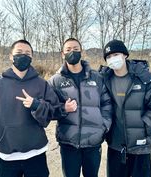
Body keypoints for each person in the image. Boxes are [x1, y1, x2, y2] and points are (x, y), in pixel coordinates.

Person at [0, 39, 63, 177]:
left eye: (27, 53)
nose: (23, 55)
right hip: (6, 156)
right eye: (19, 52)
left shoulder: (41, 84)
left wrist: (37, 105)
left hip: (36, 153)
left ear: (31, 57)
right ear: (11, 56)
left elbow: (55, 111)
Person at [99, 39, 151, 177]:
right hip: (115, 146)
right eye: (109, 57)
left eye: (116, 54)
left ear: (125, 55)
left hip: (140, 147)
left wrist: (144, 127)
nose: (112, 59)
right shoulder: (104, 79)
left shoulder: (145, 78)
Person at [48, 38, 112, 177]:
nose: (72, 52)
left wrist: (104, 126)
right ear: (62, 53)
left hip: (93, 142)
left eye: (76, 49)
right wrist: (63, 108)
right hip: (68, 143)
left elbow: (107, 103)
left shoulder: (96, 77)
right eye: (68, 49)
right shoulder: (55, 81)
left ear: (81, 52)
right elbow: (48, 109)